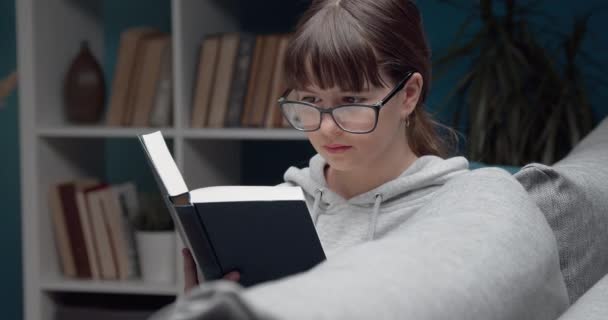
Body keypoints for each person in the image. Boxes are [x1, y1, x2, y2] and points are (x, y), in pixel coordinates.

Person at [158, 0, 569, 319]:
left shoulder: (453, 216)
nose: (326, 128)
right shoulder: (281, 206)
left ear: (408, 95)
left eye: (352, 101)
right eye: (311, 101)